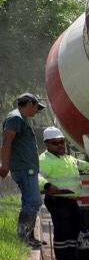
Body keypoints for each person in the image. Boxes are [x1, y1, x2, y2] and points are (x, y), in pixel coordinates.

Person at [37, 127, 89, 260]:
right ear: (47, 144)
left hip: (70, 200)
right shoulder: (44, 160)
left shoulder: (67, 158)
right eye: (55, 143)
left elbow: (79, 163)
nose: (60, 145)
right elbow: (37, 176)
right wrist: (46, 185)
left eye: (62, 142)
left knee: (74, 229)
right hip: (57, 200)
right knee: (62, 231)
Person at [1, 94, 46, 247]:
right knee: (33, 201)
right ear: (28, 103)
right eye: (36, 107)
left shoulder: (22, 119)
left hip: (28, 169)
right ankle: (24, 239)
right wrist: (5, 166)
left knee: (30, 202)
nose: (37, 111)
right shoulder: (15, 118)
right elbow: (7, 142)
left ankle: (29, 238)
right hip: (24, 169)